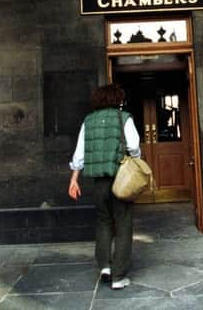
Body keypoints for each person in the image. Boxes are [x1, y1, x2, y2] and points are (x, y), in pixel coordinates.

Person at [68, 83, 141, 290]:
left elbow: (79, 153)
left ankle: (105, 266)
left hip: (98, 181)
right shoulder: (123, 117)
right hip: (121, 179)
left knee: (103, 221)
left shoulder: (88, 121)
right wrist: (135, 160)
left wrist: (74, 179)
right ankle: (118, 276)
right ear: (117, 99)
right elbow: (134, 146)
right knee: (124, 223)